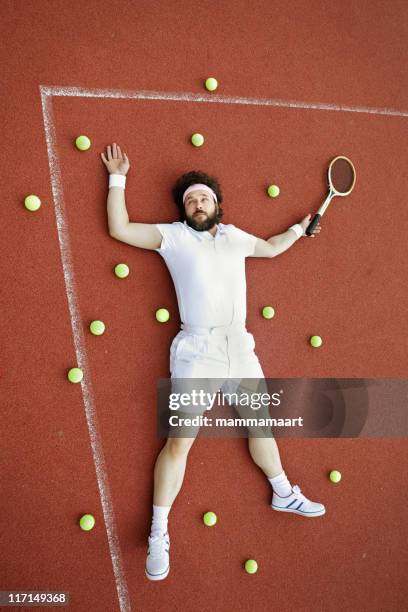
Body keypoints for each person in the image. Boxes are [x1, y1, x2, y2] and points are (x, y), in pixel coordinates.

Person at [101, 142, 325, 582]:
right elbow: (120, 228)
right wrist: (117, 178)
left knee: (261, 426)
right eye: (189, 200)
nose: (196, 203)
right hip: (198, 351)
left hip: (239, 347)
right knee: (180, 442)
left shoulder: (235, 236)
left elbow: (272, 248)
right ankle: (159, 532)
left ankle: (283, 493)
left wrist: (301, 229)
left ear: (217, 205)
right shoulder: (174, 237)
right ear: (184, 211)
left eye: (202, 197)